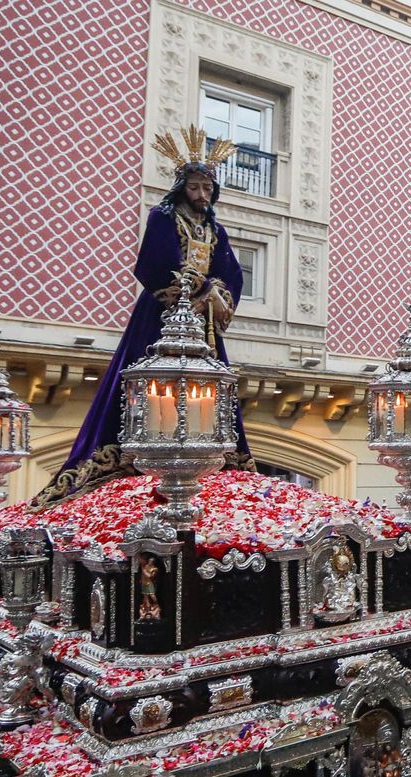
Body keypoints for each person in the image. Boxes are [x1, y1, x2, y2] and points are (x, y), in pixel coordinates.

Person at [36, 126, 248, 504]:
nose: (203, 195)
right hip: (163, 314)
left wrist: (214, 292)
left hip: (202, 321)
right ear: (182, 186)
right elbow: (153, 263)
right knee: (144, 372)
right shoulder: (163, 217)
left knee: (211, 383)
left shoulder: (215, 229)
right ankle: (133, 454)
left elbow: (231, 272)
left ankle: (214, 455)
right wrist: (190, 289)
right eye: (196, 187)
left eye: (208, 189)